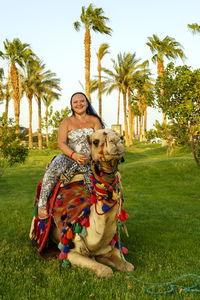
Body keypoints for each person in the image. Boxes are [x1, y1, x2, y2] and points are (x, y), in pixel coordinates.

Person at [38, 92, 103, 219]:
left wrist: (90, 155)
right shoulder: (66, 122)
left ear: (87, 103)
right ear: (71, 105)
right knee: (53, 169)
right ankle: (42, 204)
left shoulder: (94, 120)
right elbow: (61, 143)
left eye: (82, 101)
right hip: (69, 156)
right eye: (75, 102)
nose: (79, 104)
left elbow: (99, 141)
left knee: (108, 173)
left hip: (91, 156)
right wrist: (74, 155)